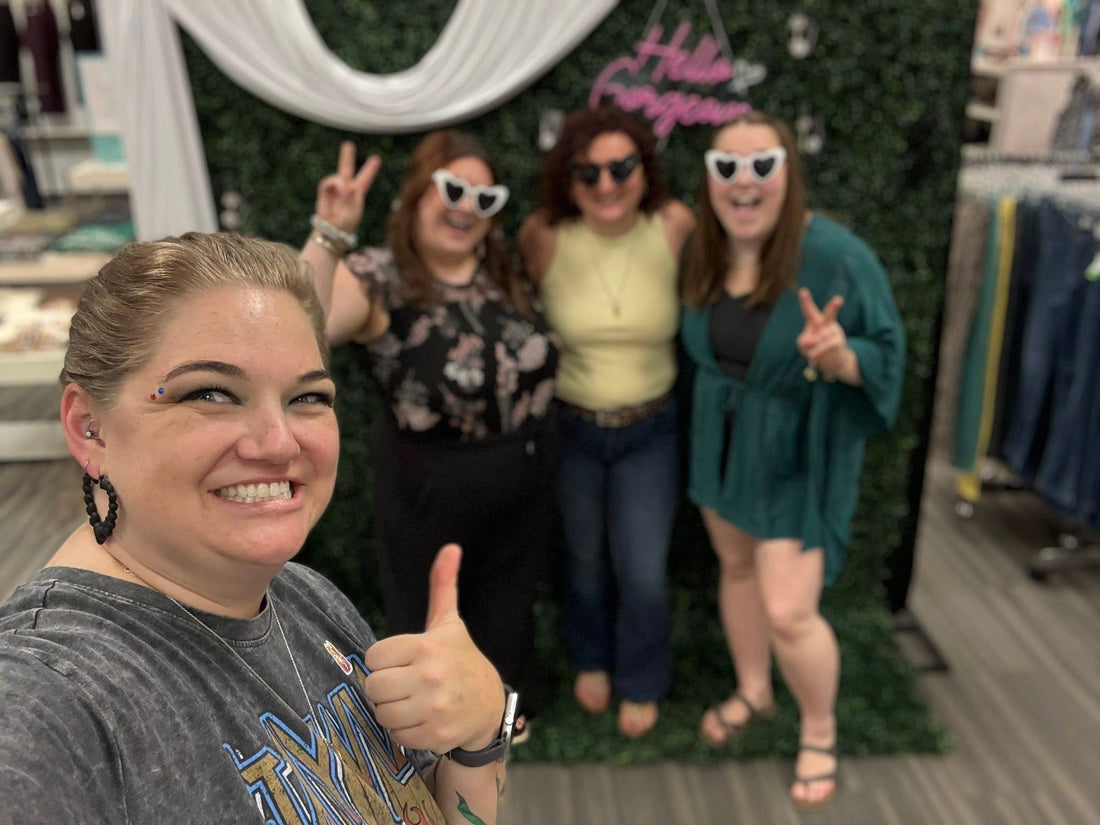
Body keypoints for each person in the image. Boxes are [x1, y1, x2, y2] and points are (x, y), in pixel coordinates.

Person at [0, 232, 513, 824]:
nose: (278, 442)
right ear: (90, 428)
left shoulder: (307, 598)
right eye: (212, 393)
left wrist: (482, 736)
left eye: (307, 397)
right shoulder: (47, 703)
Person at [680, 111, 906, 809]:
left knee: (789, 610)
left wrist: (840, 357)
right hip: (721, 448)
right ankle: (754, 689)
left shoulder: (836, 255)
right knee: (737, 567)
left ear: (788, 173)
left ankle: (820, 726)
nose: (743, 183)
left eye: (762, 166)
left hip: (796, 454)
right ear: (710, 181)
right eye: (727, 168)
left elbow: (888, 351)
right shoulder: (702, 248)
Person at [301, 131, 559, 732]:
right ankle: (430, 731)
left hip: (523, 467)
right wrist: (329, 233)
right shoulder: (376, 276)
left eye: (485, 198)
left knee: (508, 599)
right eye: (452, 189)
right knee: (428, 605)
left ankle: (500, 710)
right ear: (418, 194)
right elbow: (303, 325)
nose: (467, 207)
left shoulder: (508, 268)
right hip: (429, 480)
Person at [518, 106, 695, 738]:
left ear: (645, 170)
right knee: (585, 558)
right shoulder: (544, 235)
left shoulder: (673, 226)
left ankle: (642, 676)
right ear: (566, 180)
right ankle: (591, 657)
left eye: (621, 167)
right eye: (586, 172)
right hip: (573, 428)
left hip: (651, 429)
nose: (606, 183)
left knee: (643, 566)